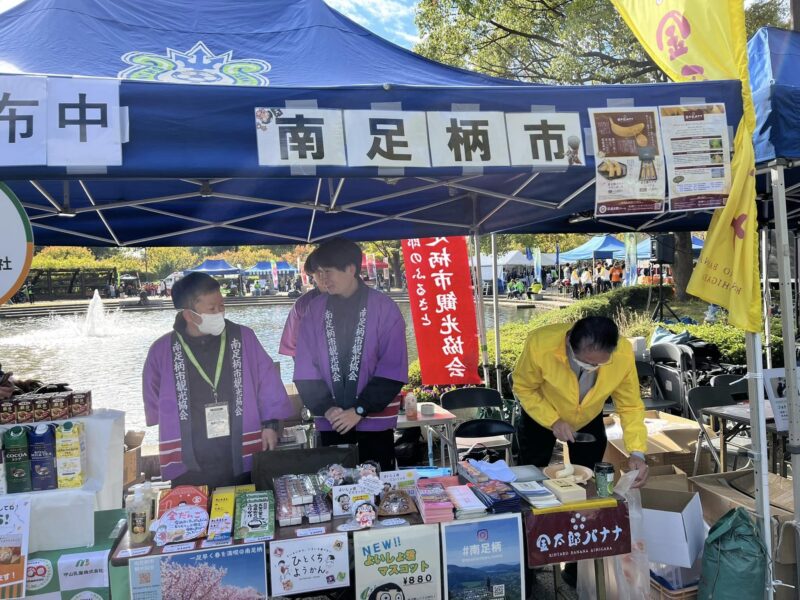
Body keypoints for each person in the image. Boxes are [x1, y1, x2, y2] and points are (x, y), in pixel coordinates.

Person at [512, 316, 648, 587]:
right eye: (586, 363)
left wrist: (637, 452)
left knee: (591, 488)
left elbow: (630, 405)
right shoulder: (541, 343)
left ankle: (577, 566)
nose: (592, 368)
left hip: (588, 416)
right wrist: (552, 420)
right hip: (541, 416)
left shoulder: (620, 354)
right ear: (569, 342)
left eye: (599, 364)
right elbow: (523, 387)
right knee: (530, 485)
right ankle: (528, 562)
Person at [142, 272, 293, 489]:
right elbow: (153, 395)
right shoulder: (162, 350)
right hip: (190, 455)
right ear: (189, 314)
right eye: (212, 309)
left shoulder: (244, 337)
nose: (220, 312)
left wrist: (270, 425)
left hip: (240, 449)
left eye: (222, 305)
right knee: (195, 512)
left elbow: (267, 381)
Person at [293, 238, 408, 471]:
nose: (322, 279)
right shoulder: (314, 310)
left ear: (351, 269)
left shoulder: (384, 308)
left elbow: (393, 367)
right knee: (335, 492)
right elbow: (305, 365)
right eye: (319, 272)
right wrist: (326, 407)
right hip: (332, 421)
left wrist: (359, 410)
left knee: (377, 492)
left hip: (374, 424)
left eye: (328, 271)